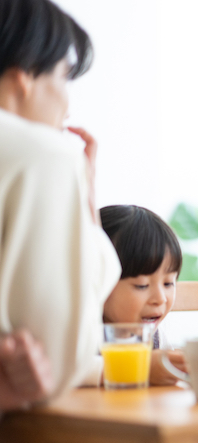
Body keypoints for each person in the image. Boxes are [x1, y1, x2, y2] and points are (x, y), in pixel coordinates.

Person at [0, 0, 121, 409]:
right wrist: (86, 200)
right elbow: (56, 363)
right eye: (65, 76)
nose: (67, 104)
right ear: (24, 77)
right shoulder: (44, 155)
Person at [80, 205, 187, 387]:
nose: (160, 298)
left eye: (168, 283)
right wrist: (141, 368)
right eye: (142, 285)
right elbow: (69, 371)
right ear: (98, 282)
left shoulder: (155, 340)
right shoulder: (82, 336)